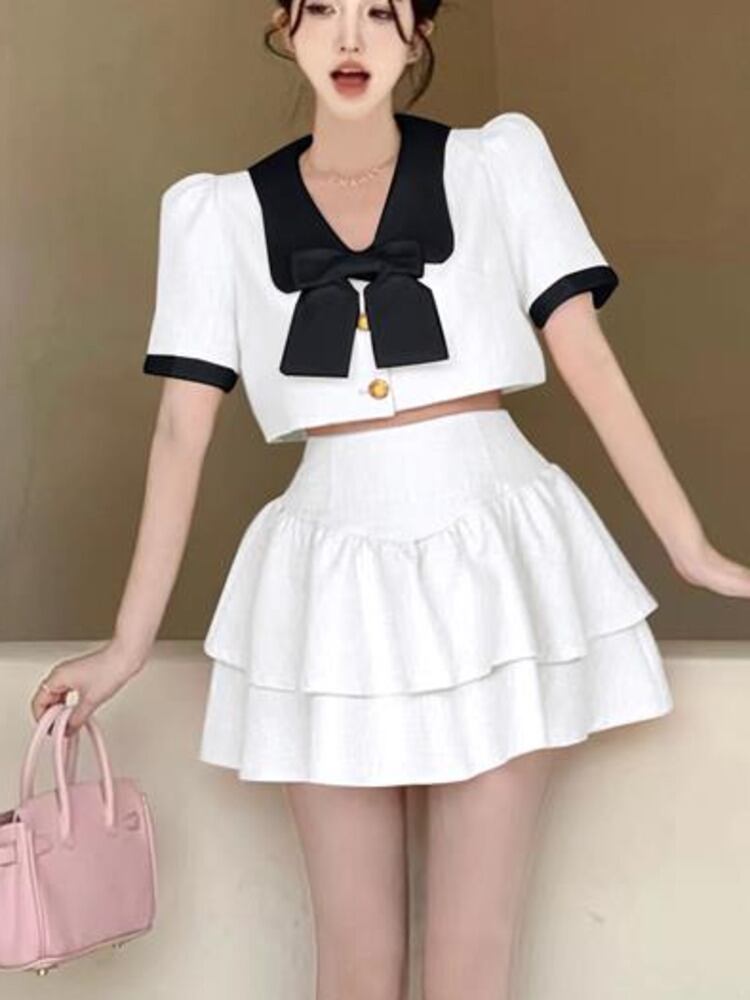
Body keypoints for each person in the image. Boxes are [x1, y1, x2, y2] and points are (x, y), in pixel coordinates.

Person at [30, 1, 750, 997]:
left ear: (420, 32)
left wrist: (689, 547)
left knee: (470, 965)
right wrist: (125, 646)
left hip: (494, 557)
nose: (350, 38)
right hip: (327, 579)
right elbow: (180, 432)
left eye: (380, 9)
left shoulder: (498, 163)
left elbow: (585, 356)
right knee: (355, 966)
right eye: (323, 8)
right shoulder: (215, 215)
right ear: (283, 24)